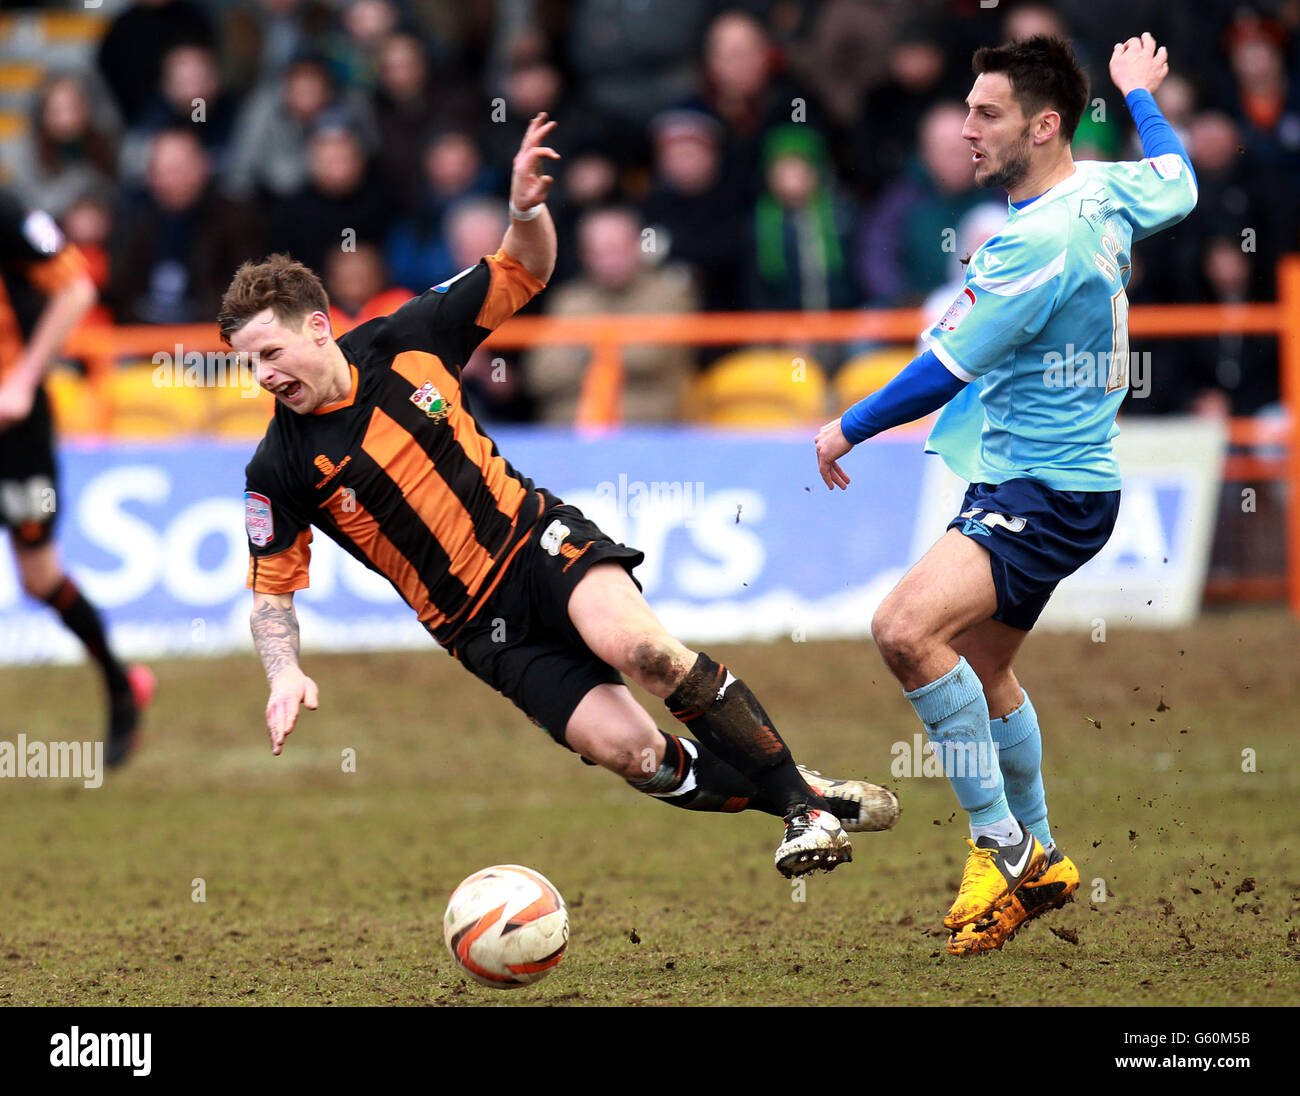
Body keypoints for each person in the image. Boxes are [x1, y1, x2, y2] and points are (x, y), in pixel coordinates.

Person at [222, 113, 899, 877]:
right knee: (636, 755)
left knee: (644, 653)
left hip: (537, 542)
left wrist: (523, 210)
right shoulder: (275, 470)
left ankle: (803, 814)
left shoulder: (405, 339)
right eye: (249, 365)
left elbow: (525, 268)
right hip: (476, 629)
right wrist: (284, 672)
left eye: (271, 353)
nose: (264, 377)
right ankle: (793, 790)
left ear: (318, 328)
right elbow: (271, 594)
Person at [814, 34, 1197, 952]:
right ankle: (1043, 858)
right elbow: (1179, 181)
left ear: (1045, 125)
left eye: (987, 114)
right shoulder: (1102, 187)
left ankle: (1005, 851)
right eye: (967, 109)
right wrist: (1139, 95)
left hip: (1042, 490)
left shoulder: (1037, 240)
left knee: (904, 630)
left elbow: (945, 366)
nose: (966, 129)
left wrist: (847, 427)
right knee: (981, 672)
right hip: (1058, 483)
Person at [0, 189, 154, 765]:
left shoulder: (6, 210)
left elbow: (77, 288)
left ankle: (120, 684)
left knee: (39, 579)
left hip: (14, 429)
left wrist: (22, 379)